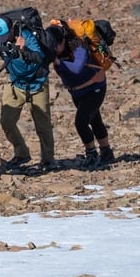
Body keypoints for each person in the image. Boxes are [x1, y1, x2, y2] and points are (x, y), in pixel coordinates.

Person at [0, 16, 56, 170]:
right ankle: (21, 153)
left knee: (42, 125)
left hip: (37, 83)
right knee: (7, 121)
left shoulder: (27, 36)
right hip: (16, 84)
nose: (1, 40)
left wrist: (25, 49)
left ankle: (48, 159)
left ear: (12, 29)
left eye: (5, 36)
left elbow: (40, 57)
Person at [46, 22, 114, 168]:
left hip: (94, 88)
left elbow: (77, 68)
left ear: (62, 41)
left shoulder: (79, 47)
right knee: (95, 120)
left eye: (55, 47)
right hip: (77, 91)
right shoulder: (55, 51)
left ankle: (91, 154)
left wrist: (58, 61)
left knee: (81, 122)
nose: (54, 50)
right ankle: (106, 151)